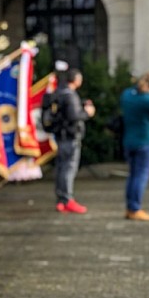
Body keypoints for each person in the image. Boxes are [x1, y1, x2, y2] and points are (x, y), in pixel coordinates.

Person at [119, 71, 149, 221]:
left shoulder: (127, 95)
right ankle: (135, 208)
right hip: (144, 141)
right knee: (141, 176)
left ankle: (130, 206)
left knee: (132, 175)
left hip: (128, 140)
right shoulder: (148, 100)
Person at [53, 67, 95, 214]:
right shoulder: (70, 96)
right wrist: (87, 113)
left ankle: (61, 200)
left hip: (60, 136)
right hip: (70, 137)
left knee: (61, 168)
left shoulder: (59, 93)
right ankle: (67, 199)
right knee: (69, 169)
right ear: (76, 80)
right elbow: (73, 116)